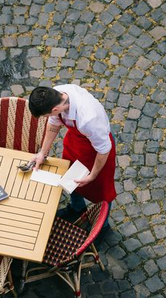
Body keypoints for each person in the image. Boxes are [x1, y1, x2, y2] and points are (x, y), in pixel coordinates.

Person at [28, 84, 116, 240]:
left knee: (103, 193)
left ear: (54, 109)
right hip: (75, 143)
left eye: (46, 115)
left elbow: (104, 150)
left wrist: (92, 175)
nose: (47, 118)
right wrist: (43, 152)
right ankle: (77, 208)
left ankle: (102, 227)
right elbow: (54, 125)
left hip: (97, 152)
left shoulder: (89, 118)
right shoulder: (56, 95)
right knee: (70, 178)